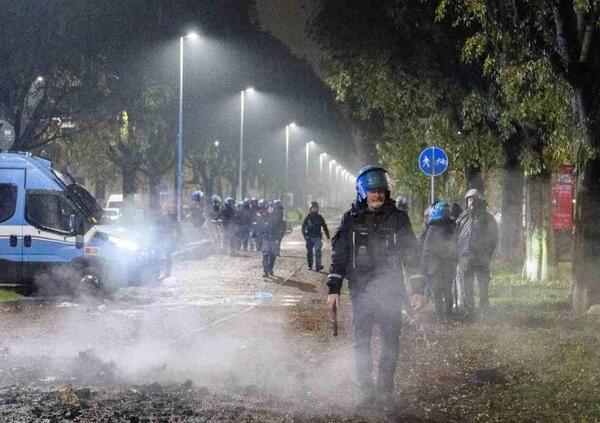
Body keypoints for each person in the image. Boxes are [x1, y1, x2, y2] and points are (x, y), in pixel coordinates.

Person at [327, 165, 425, 406]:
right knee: (361, 342)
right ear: (362, 192)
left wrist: (418, 289)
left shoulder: (399, 219)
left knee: (391, 341)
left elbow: (412, 256)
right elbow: (340, 254)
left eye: (381, 191)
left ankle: (385, 389)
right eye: (372, 191)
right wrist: (334, 289)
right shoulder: (350, 219)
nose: (377, 195)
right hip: (361, 292)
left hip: (391, 292)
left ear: (387, 192)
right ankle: (366, 389)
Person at [456, 189, 498, 314]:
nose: (471, 201)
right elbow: (456, 234)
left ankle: (484, 308)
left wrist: (489, 253)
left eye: (473, 199)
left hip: (482, 256)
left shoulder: (487, 217)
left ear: (478, 200)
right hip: (465, 256)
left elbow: (494, 236)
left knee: (483, 284)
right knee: (467, 284)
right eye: (469, 199)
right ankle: (469, 309)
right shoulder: (462, 217)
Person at [421, 201, 458, 322]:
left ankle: (442, 316)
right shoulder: (452, 227)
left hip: (436, 268)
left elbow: (426, 250)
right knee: (445, 292)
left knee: (439, 293)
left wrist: (425, 267)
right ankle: (447, 315)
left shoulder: (432, 228)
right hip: (443, 267)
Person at [301, 201, 330, 271]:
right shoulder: (307, 218)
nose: (314, 209)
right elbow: (303, 228)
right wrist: (305, 236)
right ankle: (310, 265)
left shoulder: (320, 218)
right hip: (309, 238)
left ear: (317, 209)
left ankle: (318, 266)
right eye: (312, 208)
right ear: (310, 209)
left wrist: (328, 235)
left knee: (318, 252)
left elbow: (325, 226)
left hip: (317, 237)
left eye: (315, 208)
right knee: (309, 252)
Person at [256, 201, 279, 277]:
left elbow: (278, 229)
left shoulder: (275, 218)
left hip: (273, 239)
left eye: (272, 208)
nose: (270, 209)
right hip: (265, 238)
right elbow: (259, 228)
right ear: (267, 208)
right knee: (265, 255)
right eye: (269, 208)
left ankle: (270, 269)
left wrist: (277, 238)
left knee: (272, 255)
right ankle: (265, 271)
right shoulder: (263, 217)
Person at [160, 209, 181, 278]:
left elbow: (177, 227)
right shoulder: (161, 216)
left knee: (167, 255)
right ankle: (164, 271)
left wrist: (177, 237)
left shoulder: (172, 217)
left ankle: (167, 272)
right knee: (164, 255)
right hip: (162, 237)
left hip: (168, 236)